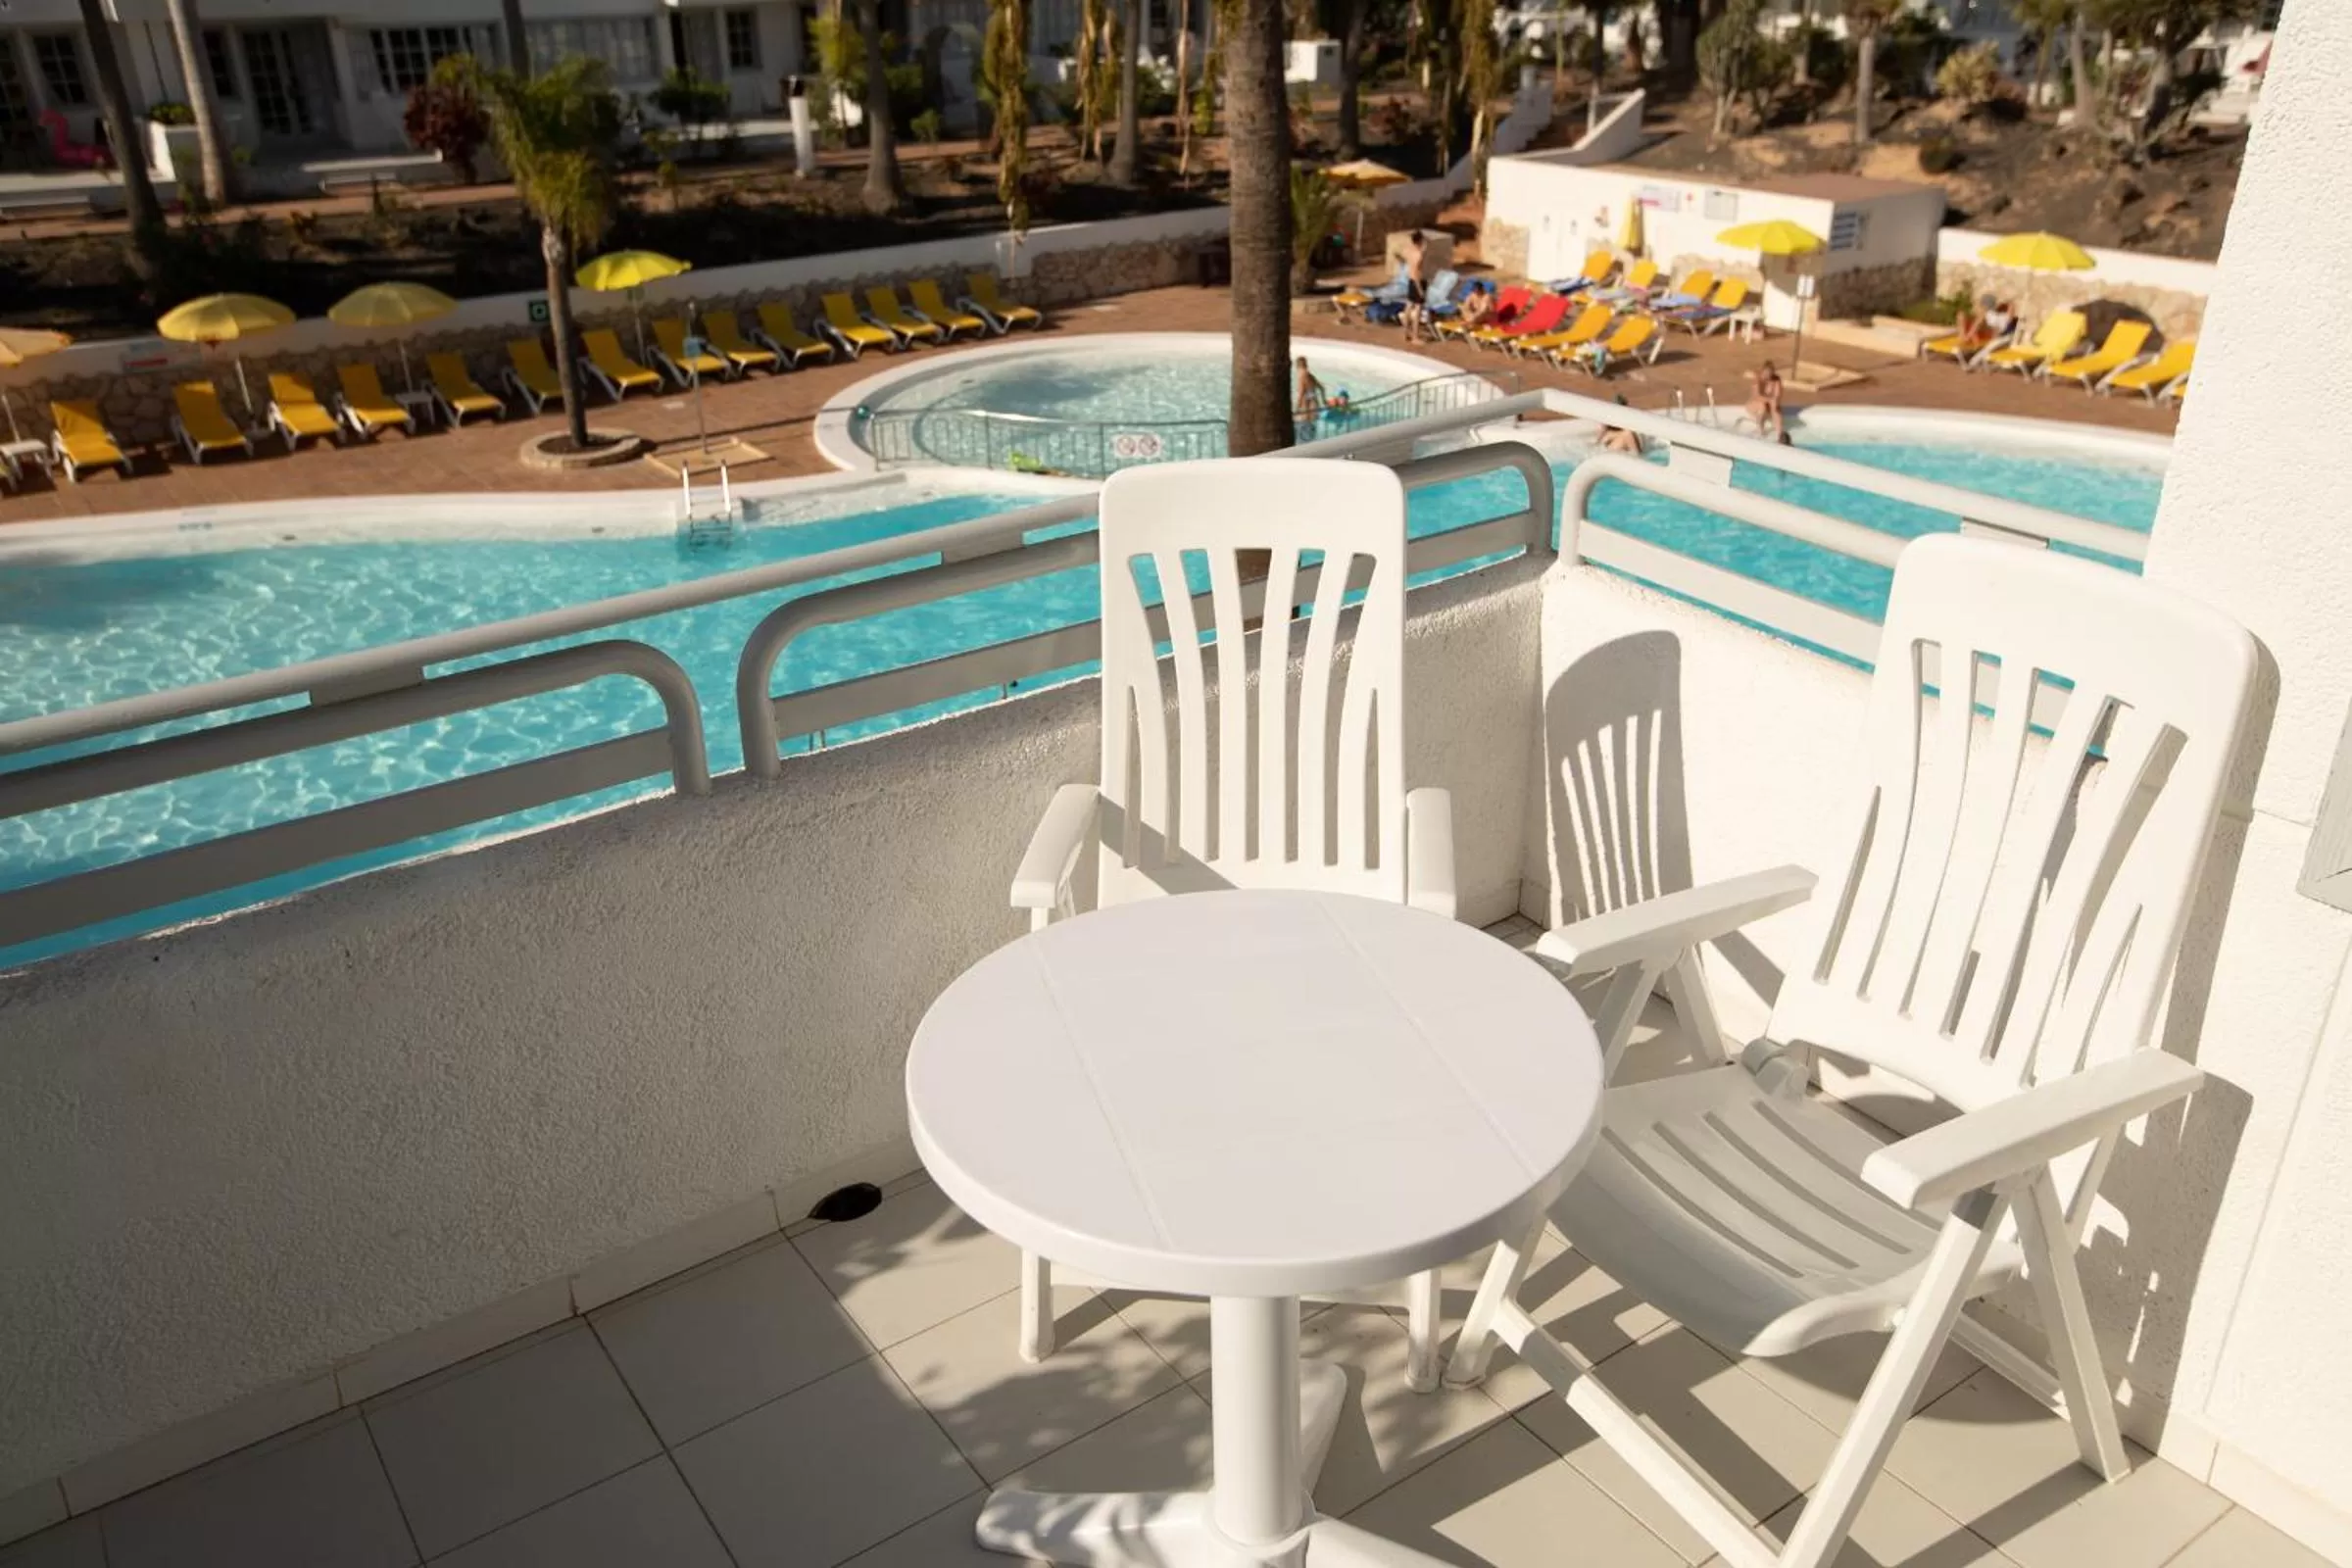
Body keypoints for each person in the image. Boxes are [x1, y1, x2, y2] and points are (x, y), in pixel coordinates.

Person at [1746, 360, 1786, 443]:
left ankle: (1780, 435)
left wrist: (1774, 402)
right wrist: (1770, 400)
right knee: (1762, 406)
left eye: (1770, 373)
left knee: (1776, 409)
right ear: (1763, 371)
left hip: (1769, 404)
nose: (1767, 375)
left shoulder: (1776, 380)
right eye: (1766, 373)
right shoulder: (1758, 379)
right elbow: (1757, 396)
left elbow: (1778, 395)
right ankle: (1760, 430)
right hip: (1755, 404)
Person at [1295, 356, 1330, 420]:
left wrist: (1297, 407)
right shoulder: (1310, 375)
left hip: (1306, 405)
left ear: (1297, 366)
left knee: (1304, 425)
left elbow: (1301, 393)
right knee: (1312, 426)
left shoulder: (1301, 375)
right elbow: (1322, 388)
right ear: (1306, 364)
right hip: (1314, 403)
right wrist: (1324, 400)